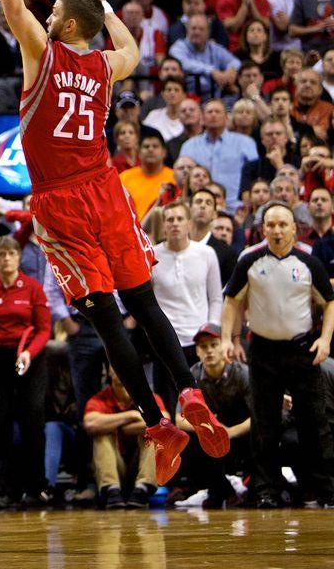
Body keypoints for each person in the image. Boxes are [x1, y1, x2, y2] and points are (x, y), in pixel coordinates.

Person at [0, 0, 228, 488]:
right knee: (143, 303)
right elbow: (133, 48)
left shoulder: (42, 52)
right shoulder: (102, 68)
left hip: (62, 201)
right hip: (108, 190)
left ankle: (158, 422)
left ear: (61, 24)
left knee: (101, 314)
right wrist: (106, 1)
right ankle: (188, 392)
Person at [220, 202, 334, 507]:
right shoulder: (250, 261)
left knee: (314, 421)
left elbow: (330, 302)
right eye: (271, 225)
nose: (277, 230)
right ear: (262, 229)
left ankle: (324, 488)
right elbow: (231, 300)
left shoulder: (309, 262)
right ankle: (266, 490)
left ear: (294, 228)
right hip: (263, 352)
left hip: (302, 350)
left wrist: (325, 340)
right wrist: (226, 339)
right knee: (264, 423)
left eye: (283, 224)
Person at [0, 236, 52, 509]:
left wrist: (29, 352)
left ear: (18, 258)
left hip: (29, 358)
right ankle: (5, 488)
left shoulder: (32, 288)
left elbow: (44, 329)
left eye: (10, 254)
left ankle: (35, 487)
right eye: (0, 255)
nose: (5, 259)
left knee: (32, 421)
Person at [150, 202, 224, 406]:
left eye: (180, 219)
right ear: (163, 225)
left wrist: (211, 330)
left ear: (189, 223)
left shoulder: (206, 253)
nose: (175, 224)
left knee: (202, 405)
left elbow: (216, 297)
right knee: (167, 403)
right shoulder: (152, 256)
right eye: (170, 219)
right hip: (165, 341)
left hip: (198, 340)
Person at [174, 323, 251, 509]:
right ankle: (222, 491)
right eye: (203, 347)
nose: (209, 351)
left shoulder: (242, 373)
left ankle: (256, 488)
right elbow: (178, 418)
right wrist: (206, 427)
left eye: (214, 345)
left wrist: (230, 432)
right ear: (197, 352)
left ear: (224, 347)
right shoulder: (192, 375)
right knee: (189, 440)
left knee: (262, 436)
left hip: (240, 433)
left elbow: (258, 416)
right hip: (212, 432)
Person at [83, 368, 167, 509]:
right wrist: (131, 416)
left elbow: (164, 423)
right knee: (101, 433)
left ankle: (143, 488)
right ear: (109, 372)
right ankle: (111, 490)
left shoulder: (148, 396)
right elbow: (90, 423)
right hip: (115, 466)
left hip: (139, 466)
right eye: (114, 364)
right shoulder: (100, 398)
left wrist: (120, 427)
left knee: (153, 434)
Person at [119, 132, 176, 220]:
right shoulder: (124, 178)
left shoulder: (174, 177)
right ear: (139, 152)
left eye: (155, 146)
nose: (150, 149)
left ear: (164, 152)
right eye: (146, 146)